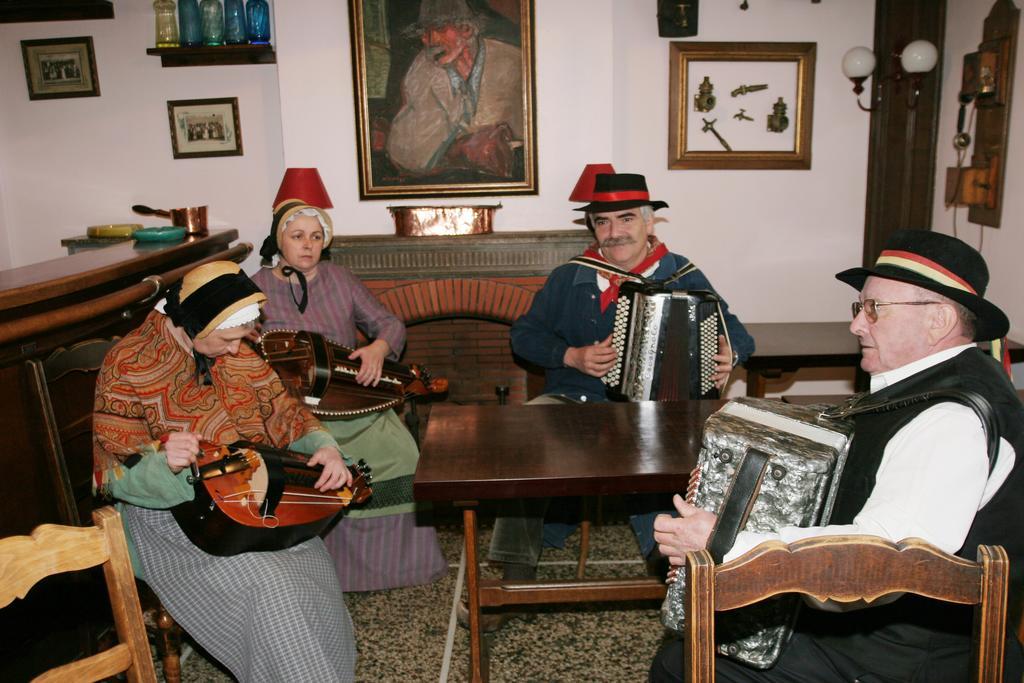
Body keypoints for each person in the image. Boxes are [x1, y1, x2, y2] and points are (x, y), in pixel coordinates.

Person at [650, 229, 1024, 682]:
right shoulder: (933, 388)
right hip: (881, 634)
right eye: (858, 308)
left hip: (901, 661)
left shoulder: (949, 422)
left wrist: (726, 541)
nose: (857, 325)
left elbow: (881, 563)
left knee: (680, 664)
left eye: (874, 310)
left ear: (938, 320)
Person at [477, 172, 755, 628]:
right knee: (522, 443)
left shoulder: (682, 272)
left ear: (650, 223)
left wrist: (729, 355)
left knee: (676, 455)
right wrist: (571, 355)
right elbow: (524, 335)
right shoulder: (572, 276)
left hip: (661, 412)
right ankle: (514, 573)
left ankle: (669, 569)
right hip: (577, 401)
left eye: (626, 218)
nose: (614, 232)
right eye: (603, 222)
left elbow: (738, 334)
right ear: (593, 228)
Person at [92, 261, 357, 682]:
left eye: (240, 339)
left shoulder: (235, 352)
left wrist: (325, 449)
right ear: (196, 324)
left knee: (310, 562)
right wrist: (161, 460)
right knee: (270, 585)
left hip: (245, 495)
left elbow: (286, 413)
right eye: (229, 339)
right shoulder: (128, 362)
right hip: (170, 517)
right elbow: (110, 475)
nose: (237, 350)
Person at [252, 198, 447, 592]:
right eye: (297, 236)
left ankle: (398, 567)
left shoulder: (340, 279)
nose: (308, 245)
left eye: (316, 236)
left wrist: (377, 349)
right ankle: (329, 571)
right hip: (294, 412)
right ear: (279, 240)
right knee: (313, 470)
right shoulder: (255, 288)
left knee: (402, 452)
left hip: (351, 401)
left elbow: (389, 323)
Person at [386, 0, 524, 177]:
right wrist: (454, 151)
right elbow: (400, 149)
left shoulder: (512, 63)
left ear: (466, 29)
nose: (429, 40)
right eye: (424, 31)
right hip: (441, 182)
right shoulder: (422, 68)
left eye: (440, 28)